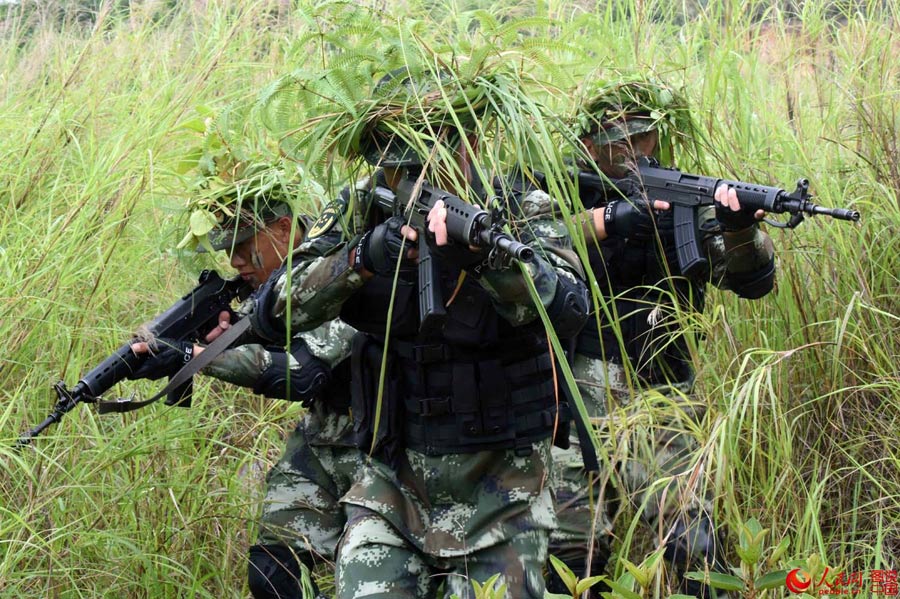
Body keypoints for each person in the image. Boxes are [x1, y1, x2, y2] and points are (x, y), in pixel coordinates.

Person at [249, 65, 590, 599]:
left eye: (425, 161)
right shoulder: (359, 209)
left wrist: (485, 262)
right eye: (395, 168)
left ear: (469, 144)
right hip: (389, 487)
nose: (408, 183)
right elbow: (276, 307)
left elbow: (568, 304)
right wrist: (364, 257)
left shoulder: (517, 207)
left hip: (503, 493)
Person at [544, 79, 776, 598]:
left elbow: (752, 280)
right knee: (571, 554)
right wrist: (612, 220)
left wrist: (739, 229)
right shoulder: (561, 189)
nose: (630, 151)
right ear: (585, 144)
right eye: (613, 140)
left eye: (641, 138)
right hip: (579, 395)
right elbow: (537, 239)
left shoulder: (683, 198)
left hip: (665, 388)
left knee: (694, 541)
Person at [128, 161, 359, 599]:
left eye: (243, 244)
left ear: (285, 228)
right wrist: (236, 331)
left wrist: (198, 358)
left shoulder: (335, 266)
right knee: (273, 574)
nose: (234, 260)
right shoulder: (271, 290)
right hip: (328, 436)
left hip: (384, 444)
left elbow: (303, 374)